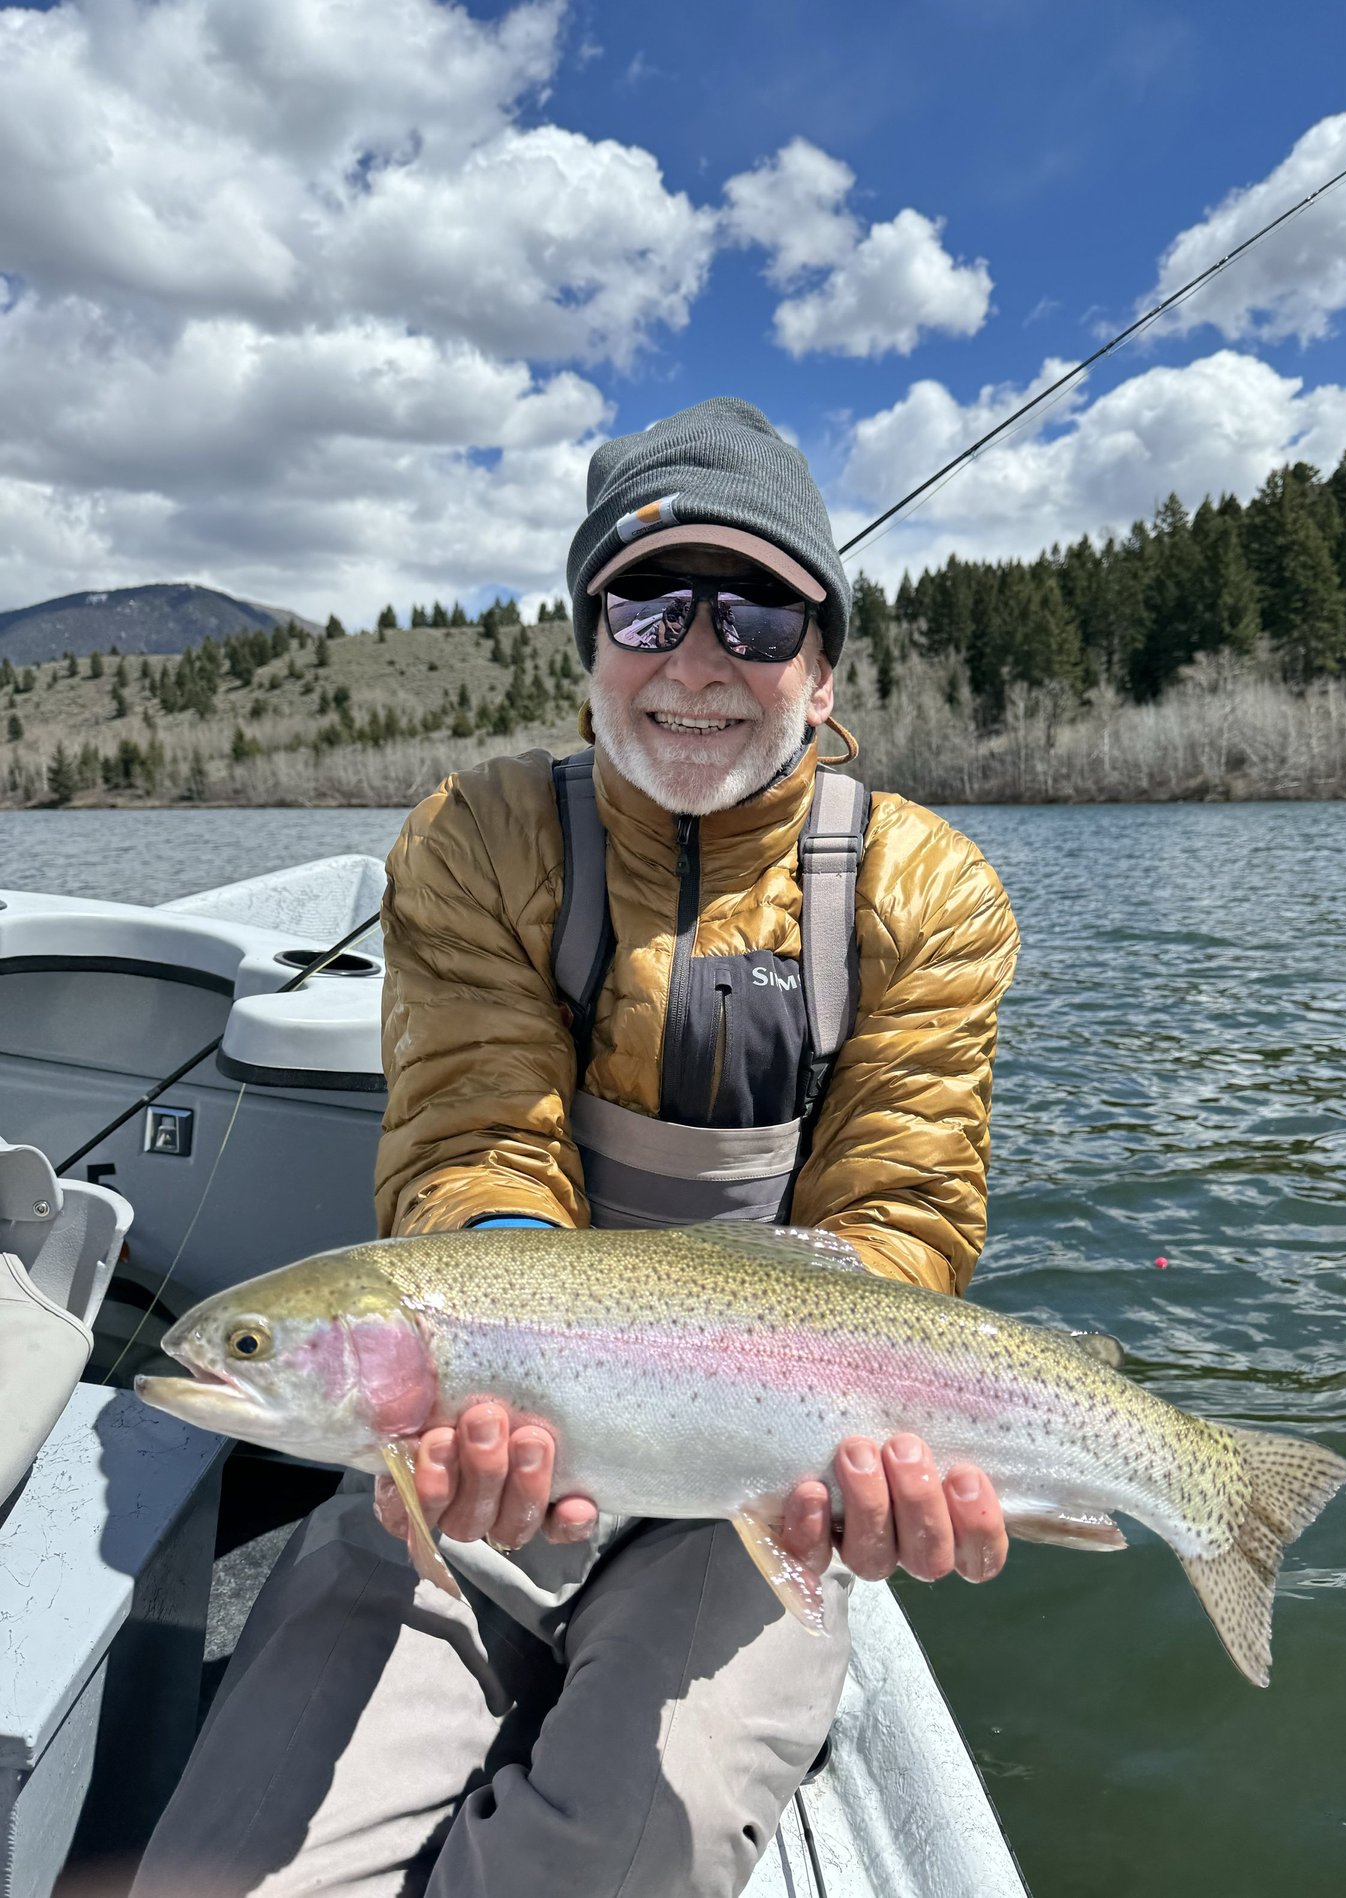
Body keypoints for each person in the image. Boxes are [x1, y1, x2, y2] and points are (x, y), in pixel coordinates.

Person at [133, 397, 1020, 1898]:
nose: (696, 657)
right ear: (588, 638)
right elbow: (477, 1132)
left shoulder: (926, 887)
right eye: (648, 602)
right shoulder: (480, 837)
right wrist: (497, 1339)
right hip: (471, 1444)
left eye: (757, 612)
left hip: (759, 1479)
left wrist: (849, 1439)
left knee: (609, 1854)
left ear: (821, 668)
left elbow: (900, 1205)